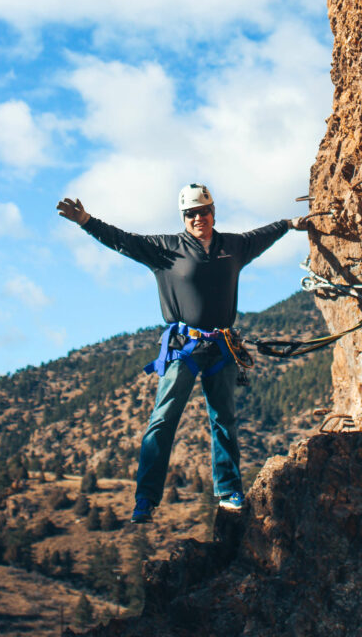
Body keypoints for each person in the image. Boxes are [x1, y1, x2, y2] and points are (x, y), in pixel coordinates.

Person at [57, 183, 306, 523]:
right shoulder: (164, 249)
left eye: (203, 211)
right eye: (191, 213)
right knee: (163, 420)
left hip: (222, 346)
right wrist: (86, 221)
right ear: (183, 217)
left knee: (224, 420)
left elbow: (263, 235)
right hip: (183, 347)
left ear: (213, 212)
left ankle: (229, 491)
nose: (198, 218)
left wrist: (290, 224)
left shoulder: (233, 246)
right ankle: (145, 498)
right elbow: (123, 240)